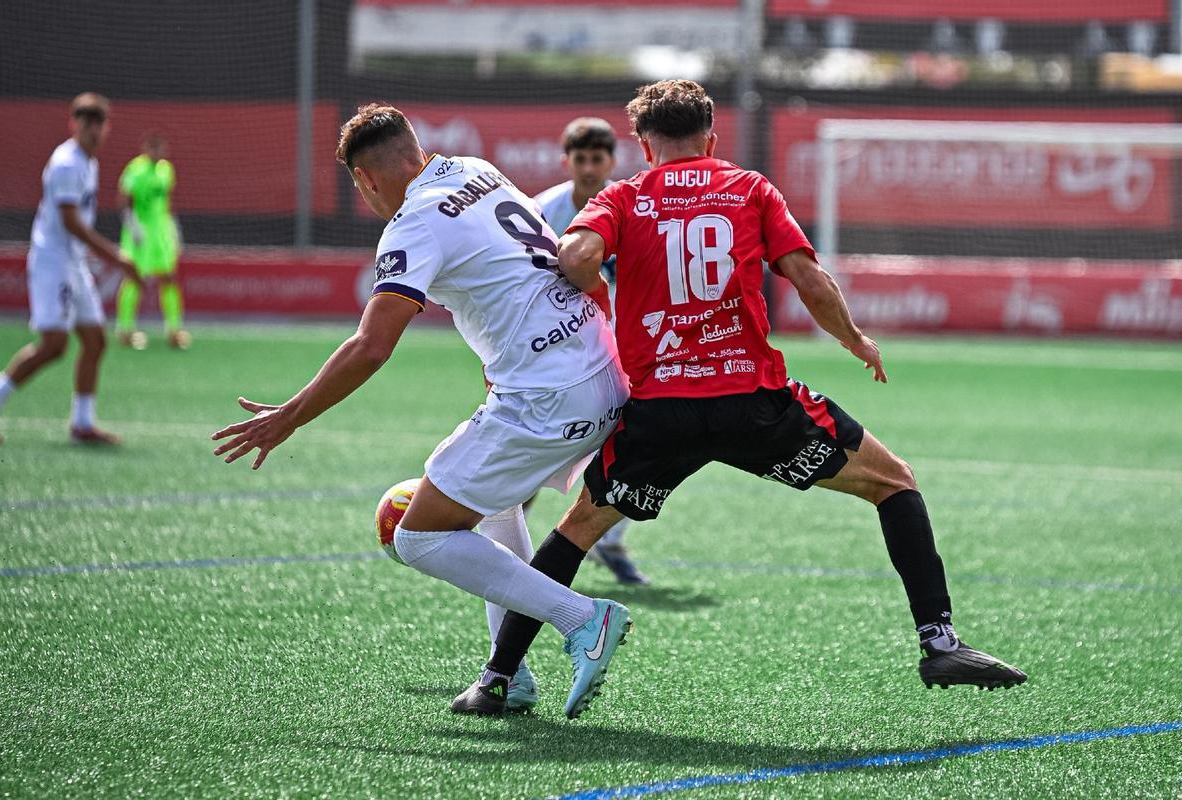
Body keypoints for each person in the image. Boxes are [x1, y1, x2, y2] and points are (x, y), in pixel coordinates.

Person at [455, 79, 1026, 715]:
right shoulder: (749, 188)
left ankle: (497, 678)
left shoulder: (622, 196)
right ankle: (940, 643)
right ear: (710, 139)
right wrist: (854, 339)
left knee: (575, 531)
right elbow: (809, 280)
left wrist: (599, 297)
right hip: (751, 402)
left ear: (643, 146)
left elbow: (575, 256)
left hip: (660, 411)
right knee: (894, 482)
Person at [210, 104, 633, 719]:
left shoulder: (413, 223)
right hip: (599, 370)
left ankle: (583, 618)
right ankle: (507, 674)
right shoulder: (476, 169)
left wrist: (289, 416)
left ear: (365, 180)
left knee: (419, 536)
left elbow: (371, 346)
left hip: (549, 396)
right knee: (493, 503)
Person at [0, 93, 142, 446]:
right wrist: (116, 257)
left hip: (73, 262)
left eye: (99, 123)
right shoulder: (67, 163)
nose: (93, 130)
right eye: (87, 123)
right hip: (53, 261)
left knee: (95, 340)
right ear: (74, 124)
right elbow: (71, 223)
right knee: (54, 344)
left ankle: (82, 423)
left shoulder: (88, 162)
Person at [533, 117, 647, 586]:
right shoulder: (543, 211)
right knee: (536, 438)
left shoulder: (631, 206)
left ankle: (609, 541)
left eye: (597, 158)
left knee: (631, 441)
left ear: (611, 161)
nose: (588, 168)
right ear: (567, 161)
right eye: (580, 158)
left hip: (621, 346)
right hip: (558, 346)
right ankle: (509, 528)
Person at [116, 132, 189, 350]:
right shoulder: (135, 169)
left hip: (161, 233)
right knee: (134, 278)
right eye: (153, 148)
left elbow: (167, 201)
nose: (157, 153)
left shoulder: (167, 170)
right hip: (139, 233)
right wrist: (133, 225)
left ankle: (174, 330)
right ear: (145, 149)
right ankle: (125, 330)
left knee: (168, 277)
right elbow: (123, 200)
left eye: (160, 148)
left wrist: (173, 228)